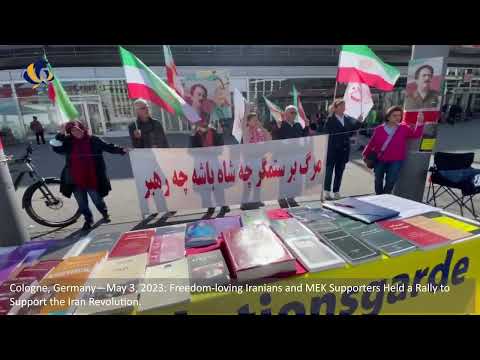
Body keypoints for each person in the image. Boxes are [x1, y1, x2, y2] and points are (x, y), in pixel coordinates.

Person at [51, 121, 129, 230]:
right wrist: (61, 133)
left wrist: (121, 150)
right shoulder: (68, 142)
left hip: (92, 176)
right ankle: (88, 220)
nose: (76, 132)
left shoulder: (93, 139)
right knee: (82, 203)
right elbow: (55, 147)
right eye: (73, 131)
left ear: (83, 129)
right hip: (75, 178)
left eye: (78, 129)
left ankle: (104, 213)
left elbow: (108, 147)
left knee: (97, 199)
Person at [363, 106, 424, 195]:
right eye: (394, 115)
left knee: (391, 181)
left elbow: (415, 135)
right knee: (378, 180)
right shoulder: (379, 129)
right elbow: (372, 143)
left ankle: (386, 196)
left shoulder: (404, 128)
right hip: (380, 159)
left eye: (399, 115)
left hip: (396, 160)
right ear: (388, 117)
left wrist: (420, 123)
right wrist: (365, 154)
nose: (397, 118)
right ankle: (379, 196)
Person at [323, 99, 364, 200]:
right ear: (335, 108)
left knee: (339, 172)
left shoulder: (347, 119)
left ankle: (336, 191)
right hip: (332, 150)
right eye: (340, 106)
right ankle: (327, 191)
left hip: (344, 150)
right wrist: (330, 115)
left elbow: (351, 132)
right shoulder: (330, 119)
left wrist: (358, 122)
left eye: (344, 106)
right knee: (329, 172)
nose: (343, 108)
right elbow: (325, 129)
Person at [190, 118, 230, 215]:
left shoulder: (214, 132)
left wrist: (220, 135)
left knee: (218, 185)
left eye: (206, 120)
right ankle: (210, 207)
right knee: (205, 188)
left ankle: (223, 206)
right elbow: (191, 151)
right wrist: (192, 135)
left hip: (214, 162)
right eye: (202, 120)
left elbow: (220, 149)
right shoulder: (195, 134)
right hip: (201, 165)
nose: (204, 122)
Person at [277, 105, 309, 208]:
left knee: (294, 178)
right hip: (284, 156)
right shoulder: (280, 125)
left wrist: (307, 127)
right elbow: (276, 138)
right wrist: (278, 128)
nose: (294, 114)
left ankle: (291, 198)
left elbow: (303, 136)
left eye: (295, 112)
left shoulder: (298, 125)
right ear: (286, 114)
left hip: (296, 156)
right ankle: (282, 199)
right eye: (292, 112)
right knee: (284, 178)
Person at [240, 113, 272, 210]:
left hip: (260, 159)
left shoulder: (260, 130)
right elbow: (247, 142)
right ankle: (244, 202)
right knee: (248, 182)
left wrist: (262, 128)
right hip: (249, 160)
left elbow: (269, 139)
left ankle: (256, 200)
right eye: (253, 120)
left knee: (258, 181)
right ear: (248, 122)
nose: (256, 121)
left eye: (256, 119)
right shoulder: (246, 131)